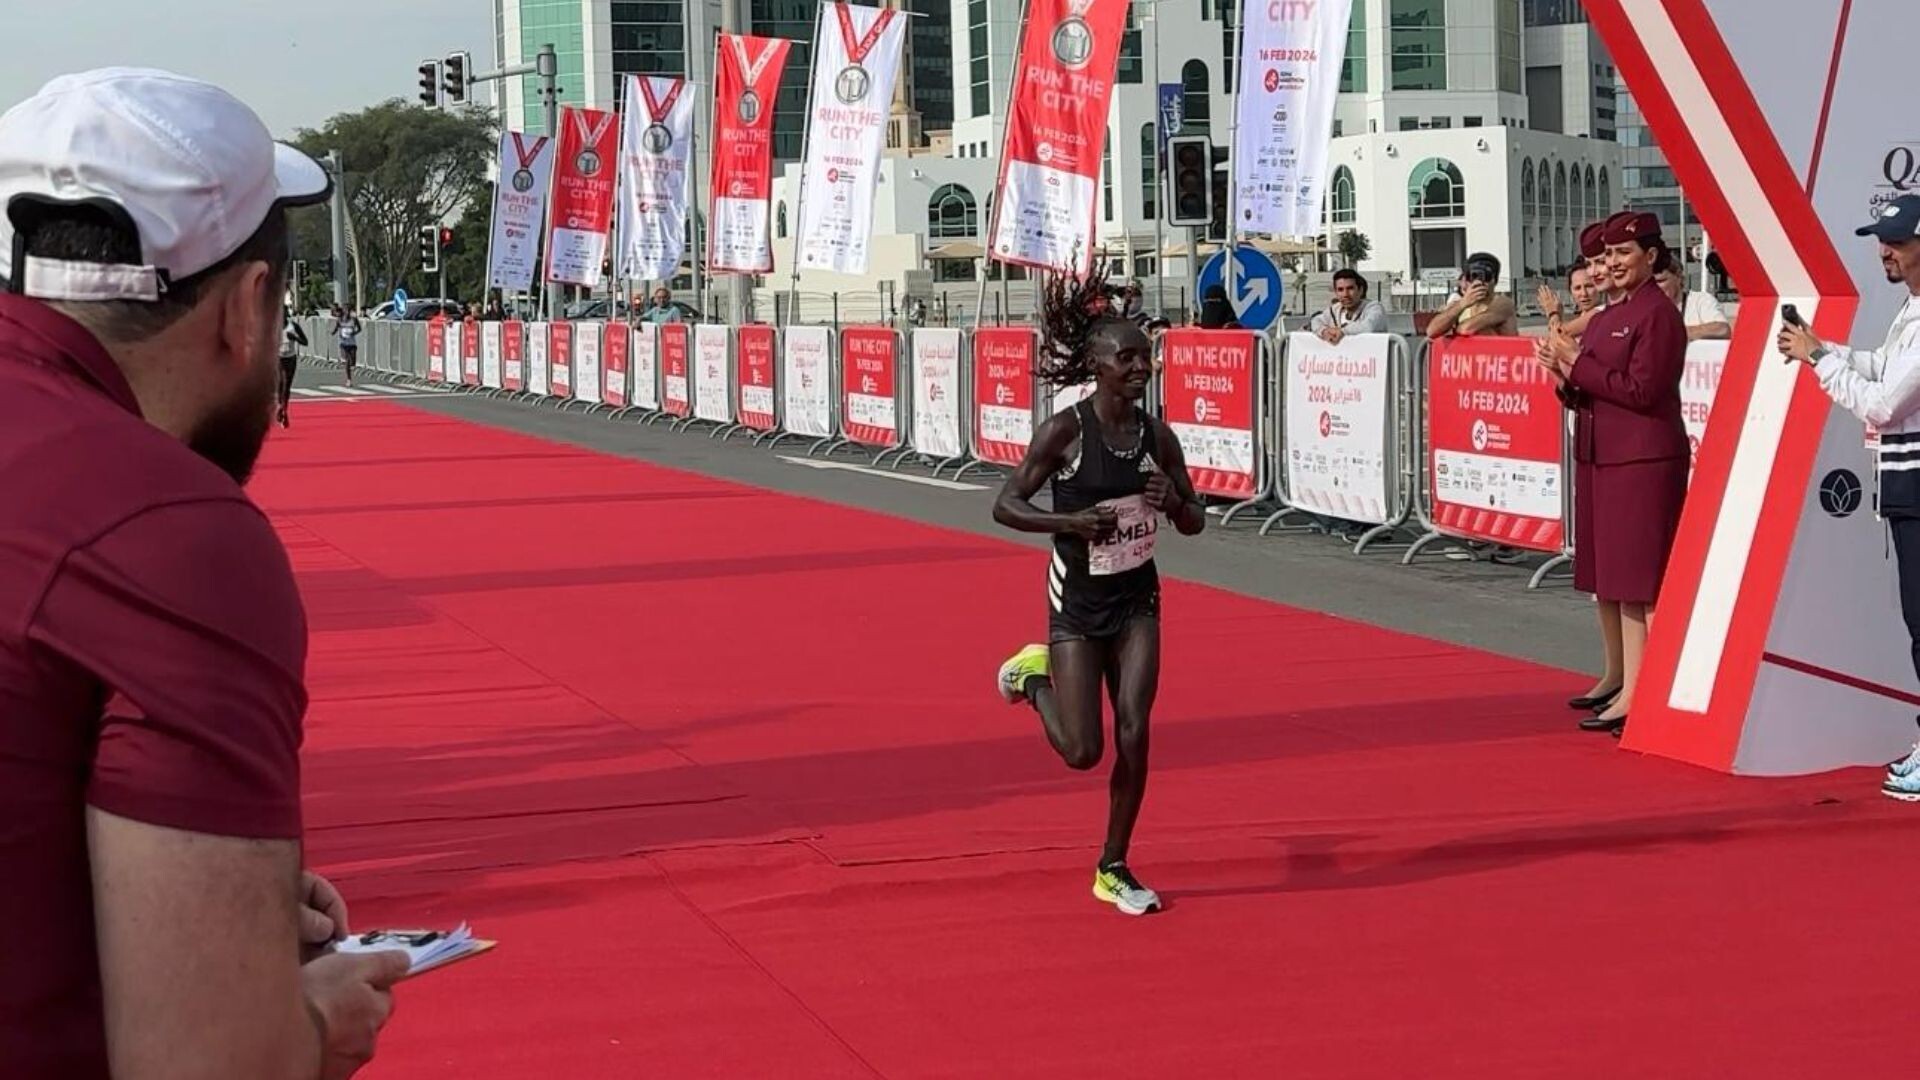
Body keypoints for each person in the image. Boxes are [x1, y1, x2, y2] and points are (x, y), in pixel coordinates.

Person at [0, 68, 412, 1080]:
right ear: (250, 306)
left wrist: (200, 893)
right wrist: (309, 1022)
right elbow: (211, 1059)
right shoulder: (166, 530)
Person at [991, 269, 1206, 916]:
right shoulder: (1066, 432)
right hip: (1079, 601)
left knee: (1136, 731)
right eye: (1128, 358)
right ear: (1098, 365)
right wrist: (1071, 523)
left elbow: (1195, 520)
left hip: (1138, 598)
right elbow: (1006, 504)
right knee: (1083, 752)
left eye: (1146, 357)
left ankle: (1113, 865)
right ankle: (1034, 678)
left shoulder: (1157, 437)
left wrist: (1174, 504)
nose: (1142, 368)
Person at [1777, 192, 1920, 799]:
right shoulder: (1910, 309)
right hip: (1906, 487)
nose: (1884, 251)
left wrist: (1818, 359)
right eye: (1882, 240)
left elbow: (1884, 405)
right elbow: (1881, 367)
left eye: (1897, 241)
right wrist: (1824, 349)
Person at [1535, 211, 1690, 736]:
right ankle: (1626, 682)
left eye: (1625, 253)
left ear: (1651, 256)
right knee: (1619, 579)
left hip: (1642, 458)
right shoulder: (1609, 317)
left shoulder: (1657, 315)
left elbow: (1643, 391)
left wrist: (1576, 362)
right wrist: (1563, 374)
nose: (1614, 264)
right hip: (1605, 454)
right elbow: (1593, 389)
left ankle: (1645, 693)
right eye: (1609, 255)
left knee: (1641, 581)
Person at [1426, 252, 1518, 339]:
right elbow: (1431, 331)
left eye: (1486, 277)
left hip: (1498, 350)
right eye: (1473, 276)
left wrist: (1452, 328)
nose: (1478, 282)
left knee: (1484, 330)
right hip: (1469, 351)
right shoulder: (1461, 304)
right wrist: (1462, 304)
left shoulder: (1503, 304)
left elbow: (1467, 329)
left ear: (1494, 280)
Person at [1309, 268, 1390, 344]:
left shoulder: (1374, 308)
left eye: (1350, 288)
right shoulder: (1335, 309)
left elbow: (1369, 326)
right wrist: (1324, 331)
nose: (1345, 294)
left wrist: (1343, 332)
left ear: (1360, 290)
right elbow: (1316, 321)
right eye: (1340, 290)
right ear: (1336, 293)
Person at [1655, 265, 1732, 340]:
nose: (1654, 287)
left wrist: (1675, 333)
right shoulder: (1649, 308)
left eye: (1660, 281)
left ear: (1679, 278)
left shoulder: (1700, 301)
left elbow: (1722, 329)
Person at [278, 310, 308, 428]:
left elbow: (305, 342)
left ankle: (284, 410)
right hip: (278, 358)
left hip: (290, 359)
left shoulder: (293, 326)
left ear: (286, 315)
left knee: (286, 385)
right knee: (279, 385)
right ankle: (280, 406)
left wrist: (294, 337)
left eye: (283, 314)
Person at [332, 304, 362, 386]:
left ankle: (352, 365)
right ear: (344, 311)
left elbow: (359, 329)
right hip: (343, 343)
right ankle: (349, 379)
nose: (348, 312)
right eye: (346, 310)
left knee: (353, 360)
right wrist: (333, 332)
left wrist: (354, 333)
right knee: (347, 361)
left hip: (352, 343)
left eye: (349, 310)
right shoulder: (340, 320)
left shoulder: (354, 319)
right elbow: (336, 328)